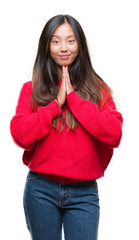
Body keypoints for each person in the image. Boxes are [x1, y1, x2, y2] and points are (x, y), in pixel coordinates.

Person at [10, 14, 123, 240]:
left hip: (84, 193)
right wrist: (54, 106)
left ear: (80, 45)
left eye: (70, 41)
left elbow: (114, 134)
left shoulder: (98, 90)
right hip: (40, 190)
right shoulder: (31, 89)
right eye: (56, 41)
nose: (64, 48)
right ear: (46, 46)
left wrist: (74, 99)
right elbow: (20, 135)